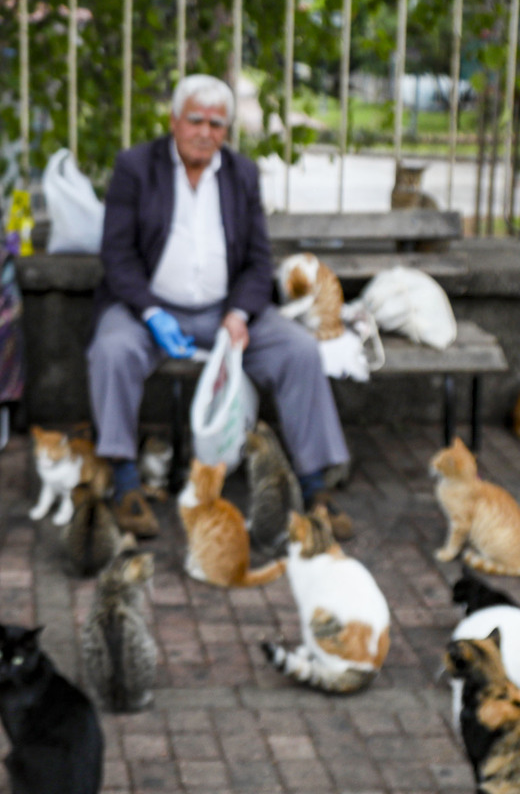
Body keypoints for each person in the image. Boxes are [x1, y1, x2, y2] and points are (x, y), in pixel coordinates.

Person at [87, 74, 351, 536]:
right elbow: (117, 255)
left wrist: (239, 314)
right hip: (147, 309)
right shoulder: (136, 167)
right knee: (112, 351)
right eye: (195, 120)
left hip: (223, 311)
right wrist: (151, 312)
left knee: (299, 352)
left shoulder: (240, 174)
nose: (206, 132)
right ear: (173, 121)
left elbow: (256, 260)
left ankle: (315, 486)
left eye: (217, 123)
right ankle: (125, 483)